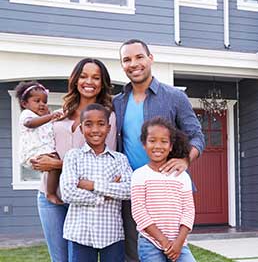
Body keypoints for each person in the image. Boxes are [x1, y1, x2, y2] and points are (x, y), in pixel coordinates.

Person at [113, 39, 205, 261]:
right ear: (122, 65)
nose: (133, 64)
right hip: (131, 190)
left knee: (175, 251)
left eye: (139, 57)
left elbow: (197, 136)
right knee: (136, 254)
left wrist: (186, 160)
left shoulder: (174, 97)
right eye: (127, 59)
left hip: (167, 190)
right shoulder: (117, 102)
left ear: (150, 58)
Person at [30, 58, 116, 262]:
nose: (89, 81)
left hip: (81, 199)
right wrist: (38, 157)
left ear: (102, 83)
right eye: (84, 76)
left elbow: (103, 161)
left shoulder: (107, 116)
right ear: (76, 79)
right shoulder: (62, 112)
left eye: (96, 77)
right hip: (48, 196)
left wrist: (57, 165)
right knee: (59, 259)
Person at [60, 103, 131, 262]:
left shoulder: (119, 159)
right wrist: (106, 194)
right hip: (80, 234)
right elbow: (68, 193)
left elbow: (128, 190)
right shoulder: (73, 156)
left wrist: (92, 185)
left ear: (109, 127)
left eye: (101, 124)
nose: (95, 130)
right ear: (81, 128)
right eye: (88, 124)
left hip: (111, 233)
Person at [131, 117, 195, 262]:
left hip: (179, 243)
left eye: (164, 141)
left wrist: (178, 242)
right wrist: (164, 242)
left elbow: (188, 210)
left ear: (171, 146)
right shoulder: (139, 175)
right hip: (150, 242)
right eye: (152, 141)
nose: (158, 146)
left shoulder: (181, 176)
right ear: (144, 144)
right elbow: (139, 212)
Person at [15, 81, 63, 205]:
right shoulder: (27, 114)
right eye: (37, 101)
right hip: (33, 152)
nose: (42, 104)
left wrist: (50, 116)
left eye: (44, 102)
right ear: (25, 103)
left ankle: (52, 191)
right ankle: (50, 193)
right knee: (55, 162)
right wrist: (50, 116)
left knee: (55, 163)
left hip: (43, 151)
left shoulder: (44, 117)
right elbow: (30, 123)